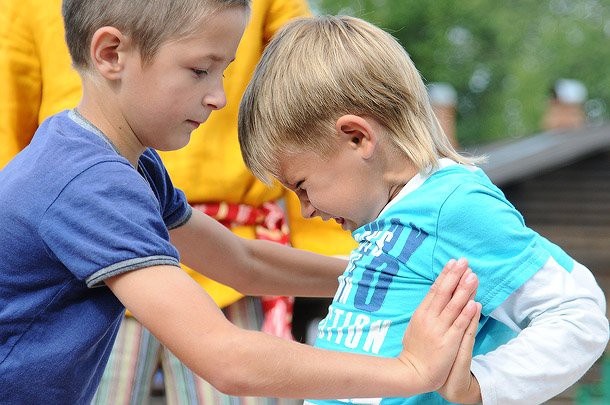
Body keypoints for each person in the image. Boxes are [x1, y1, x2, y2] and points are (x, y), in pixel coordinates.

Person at [0, 1, 483, 403]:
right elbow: (225, 358)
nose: (217, 97)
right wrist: (412, 370)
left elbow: (240, 261)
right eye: (199, 71)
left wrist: (385, 272)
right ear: (111, 54)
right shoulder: (89, 183)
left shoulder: (117, 161)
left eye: (225, 71)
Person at [238, 15, 610, 405]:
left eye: (302, 187)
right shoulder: (388, 220)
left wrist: (481, 386)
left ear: (357, 137)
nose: (307, 210)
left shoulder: (453, 206)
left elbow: (578, 312)